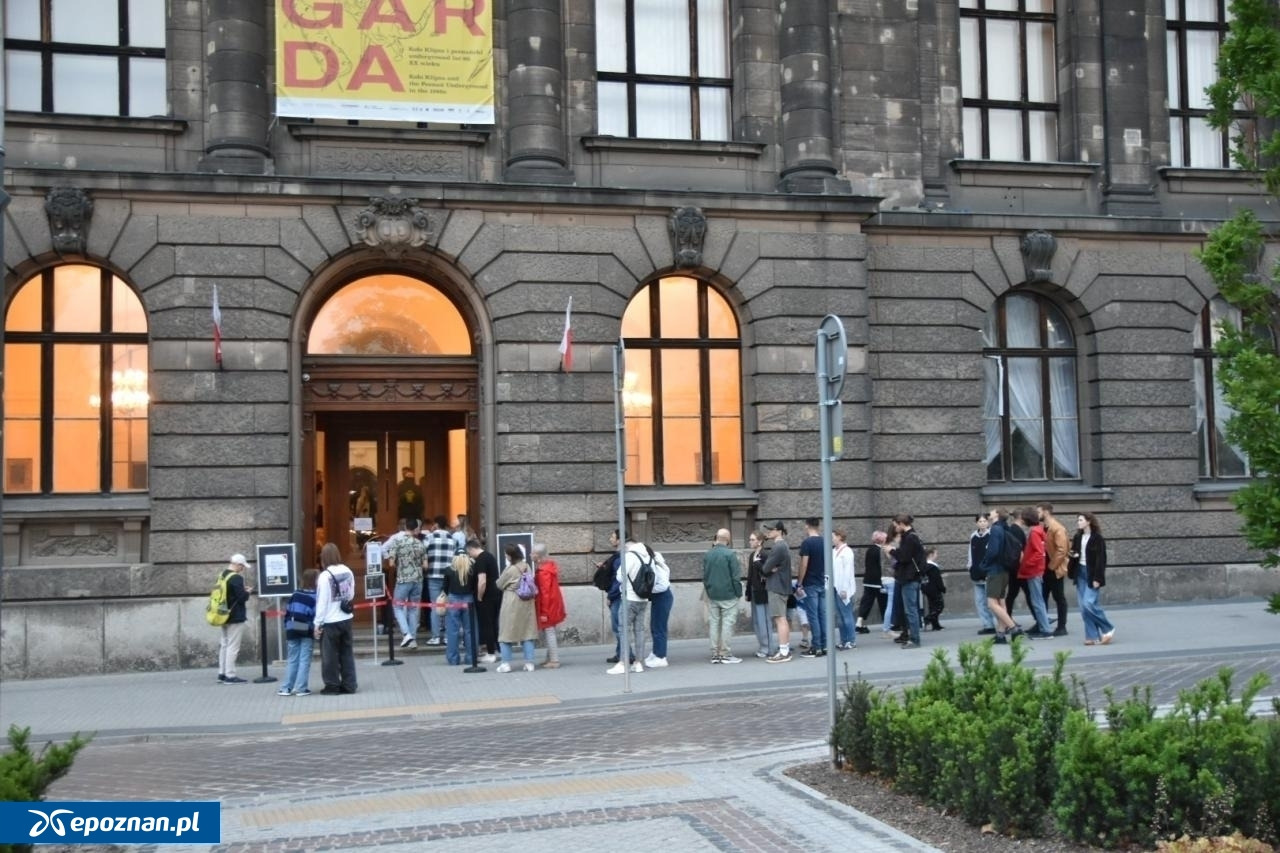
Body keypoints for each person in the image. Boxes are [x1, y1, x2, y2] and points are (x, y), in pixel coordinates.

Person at [314, 543, 357, 694]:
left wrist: (317, 623)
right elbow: (351, 595)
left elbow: (322, 601)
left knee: (329, 656)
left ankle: (332, 686)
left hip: (330, 620)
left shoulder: (324, 576)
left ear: (323, 557)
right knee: (347, 652)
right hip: (346, 617)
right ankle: (350, 684)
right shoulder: (348, 571)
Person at [1068, 512, 1115, 646]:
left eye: (1081, 520)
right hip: (1080, 573)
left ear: (1088, 521)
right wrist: (1073, 557)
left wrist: (1098, 578)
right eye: (1078, 520)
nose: (1078, 522)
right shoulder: (1078, 537)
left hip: (1092, 573)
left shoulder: (1097, 538)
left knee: (1089, 603)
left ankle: (1108, 627)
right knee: (1084, 608)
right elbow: (1074, 553)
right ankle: (1092, 636)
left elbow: (1101, 559)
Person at [610, 534, 651, 674]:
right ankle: (639, 663)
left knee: (623, 630)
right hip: (643, 599)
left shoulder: (629, 556)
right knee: (639, 630)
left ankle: (623, 662)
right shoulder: (648, 556)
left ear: (627, 547)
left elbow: (620, 577)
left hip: (629, 598)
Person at [982, 508, 1023, 644]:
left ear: (997, 515)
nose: (990, 513)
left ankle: (1013, 628)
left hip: (995, 570)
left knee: (992, 604)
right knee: (1001, 601)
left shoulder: (995, 529)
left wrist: (984, 564)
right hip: (1004, 569)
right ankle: (1000, 634)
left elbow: (993, 551)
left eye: (992, 512)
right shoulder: (1005, 528)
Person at [702, 528, 743, 664]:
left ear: (717, 538)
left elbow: (705, 576)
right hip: (729, 594)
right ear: (728, 539)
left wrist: (709, 590)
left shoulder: (708, 554)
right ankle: (725, 653)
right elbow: (735, 577)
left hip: (713, 594)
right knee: (727, 623)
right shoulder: (730, 554)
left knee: (714, 623)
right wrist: (738, 593)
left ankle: (715, 653)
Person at [386, 517, 427, 649]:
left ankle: (406, 634)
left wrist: (400, 563)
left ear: (405, 528)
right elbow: (425, 565)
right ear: (416, 529)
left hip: (403, 579)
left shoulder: (397, 542)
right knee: (413, 609)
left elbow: (391, 563)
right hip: (418, 579)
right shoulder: (420, 544)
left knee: (397, 606)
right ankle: (413, 638)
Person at [1015, 506, 1054, 639]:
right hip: (1037, 570)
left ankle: (1046, 630)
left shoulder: (1034, 532)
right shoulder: (1039, 530)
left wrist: (1026, 563)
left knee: (1037, 601)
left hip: (1033, 571)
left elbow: (1038, 552)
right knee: (1038, 600)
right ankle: (1045, 628)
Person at [887, 514, 925, 649]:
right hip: (910, 577)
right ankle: (912, 637)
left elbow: (904, 557)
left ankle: (915, 639)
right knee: (910, 609)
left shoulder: (909, 538)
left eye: (896, 525)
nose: (895, 528)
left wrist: (892, 551)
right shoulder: (912, 536)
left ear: (902, 523)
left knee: (911, 610)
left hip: (910, 578)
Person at [279, 568, 318, 696]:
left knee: (292, 659)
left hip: (292, 627)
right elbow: (316, 614)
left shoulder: (295, 594)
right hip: (305, 628)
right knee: (304, 659)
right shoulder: (314, 596)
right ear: (314, 581)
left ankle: (286, 688)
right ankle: (301, 688)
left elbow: (288, 611)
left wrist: (287, 625)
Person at [216, 553, 254, 684]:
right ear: (237, 565)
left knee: (224, 644)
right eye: (242, 566)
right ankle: (230, 675)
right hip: (235, 615)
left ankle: (222, 673)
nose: (242, 569)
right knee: (233, 646)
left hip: (222, 614)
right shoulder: (236, 578)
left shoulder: (222, 575)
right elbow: (241, 598)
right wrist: (247, 592)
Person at [796, 517, 829, 658]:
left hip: (810, 583)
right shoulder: (825, 542)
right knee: (823, 615)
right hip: (823, 582)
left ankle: (816, 647)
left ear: (807, 526)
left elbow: (804, 564)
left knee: (813, 616)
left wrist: (799, 582)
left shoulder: (807, 543)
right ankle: (825, 645)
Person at [761, 521, 793, 663]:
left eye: (770, 529)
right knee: (782, 618)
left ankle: (784, 652)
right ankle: (784, 649)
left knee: (780, 619)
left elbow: (765, 568)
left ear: (778, 531)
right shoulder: (782, 545)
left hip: (776, 586)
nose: (768, 532)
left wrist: (769, 569)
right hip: (781, 585)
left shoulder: (778, 547)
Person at [466, 539, 501, 663]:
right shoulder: (490, 556)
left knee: (487, 625)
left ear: (471, 549)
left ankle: (491, 653)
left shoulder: (480, 559)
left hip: (486, 597)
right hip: (496, 594)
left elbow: (482, 581)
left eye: (469, 552)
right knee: (494, 624)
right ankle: (498, 650)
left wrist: (480, 596)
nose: (470, 555)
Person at [1038, 502, 1071, 636]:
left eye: (1039, 511)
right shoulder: (1044, 527)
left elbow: (1062, 550)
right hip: (1045, 569)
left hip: (1054, 568)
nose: (1037, 514)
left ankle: (1062, 626)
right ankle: (1042, 622)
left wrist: (1051, 566)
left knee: (1059, 597)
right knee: (1043, 596)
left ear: (1046, 512)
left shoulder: (1057, 528)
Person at [532, 543, 567, 668]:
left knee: (549, 631)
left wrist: (543, 613)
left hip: (548, 606)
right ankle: (550, 658)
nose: (530, 555)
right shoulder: (548, 567)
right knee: (549, 631)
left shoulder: (543, 572)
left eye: (532, 553)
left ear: (538, 555)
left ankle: (554, 660)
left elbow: (544, 594)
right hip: (554, 604)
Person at [423, 516, 456, 645]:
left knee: (434, 606)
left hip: (433, 575)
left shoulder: (429, 538)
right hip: (449, 576)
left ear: (435, 524)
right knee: (448, 605)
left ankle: (436, 636)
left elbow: (422, 553)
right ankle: (448, 636)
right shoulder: (452, 539)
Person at [442, 552, 478, 666]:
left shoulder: (448, 570)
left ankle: (453, 659)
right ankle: (471, 658)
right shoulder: (472, 569)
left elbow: (445, 589)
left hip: (453, 599)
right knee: (470, 630)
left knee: (452, 631)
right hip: (469, 600)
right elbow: (475, 586)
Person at [744, 530, 775, 658]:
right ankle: (763, 646)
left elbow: (768, 572)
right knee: (757, 621)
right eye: (750, 539)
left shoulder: (765, 554)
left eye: (752, 539)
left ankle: (768, 648)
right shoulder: (752, 555)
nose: (750, 542)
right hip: (754, 589)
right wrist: (747, 591)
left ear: (760, 541)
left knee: (764, 620)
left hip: (763, 590)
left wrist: (757, 563)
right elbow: (750, 575)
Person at [644, 544, 674, 669]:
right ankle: (656, 652)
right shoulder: (656, 562)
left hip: (662, 596)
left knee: (659, 627)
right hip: (660, 597)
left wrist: (647, 591)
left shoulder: (655, 565)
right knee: (655, 626)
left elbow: (663, 585)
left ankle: (661, 656)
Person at [967, 514, 997, 635]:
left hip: (987, 573)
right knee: (979, 601)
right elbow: (970, 552)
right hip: (976, 572)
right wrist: (970, 566)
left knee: (991, 602)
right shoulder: (973, 536)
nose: (983, 523)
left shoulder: (991, 535)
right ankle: (987, 625)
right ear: (976, 523)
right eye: (980, 521)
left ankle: (1000, 623)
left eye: (985, 521)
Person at [598, 530, 624, 664]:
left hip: (618, 596)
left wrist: (611, 596)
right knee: (619, 627)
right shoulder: (618, 556)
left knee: (618, 627)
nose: (610, 539)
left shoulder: (620, 558)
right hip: (617, 595)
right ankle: (621, 654)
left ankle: (626, 655)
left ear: (620, 540)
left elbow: (618, 580)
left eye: (613, 537)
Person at [855, 530, 887, 634]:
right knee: (884, 603)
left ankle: (859, 622)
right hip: (879, 581)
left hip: (868, 580)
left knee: (866, 602)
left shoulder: (869, 550)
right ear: (882, 540)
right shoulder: (881, 551)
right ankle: (887, 625)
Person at [831, 527, 857, 649]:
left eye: (833, 537)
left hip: (844, 588)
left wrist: (845, 589)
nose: (832, 539)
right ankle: (843, 639)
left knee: (846, 615)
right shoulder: (834, 551)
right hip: (835, 586)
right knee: (840, 616)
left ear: (840, 537)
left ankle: (851, 640)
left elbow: (848, 572)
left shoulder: (847, 552)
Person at [920, 547, 947, 631]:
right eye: (936, 553)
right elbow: (937, 580)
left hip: (926, 588)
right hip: (934, 589)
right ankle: (927, 619)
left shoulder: (924, 566)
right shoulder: (933, 567)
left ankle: (935, 625)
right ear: (931, 555)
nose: (937, 555)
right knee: (939, 606)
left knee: (932, 606)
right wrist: (942, 588)